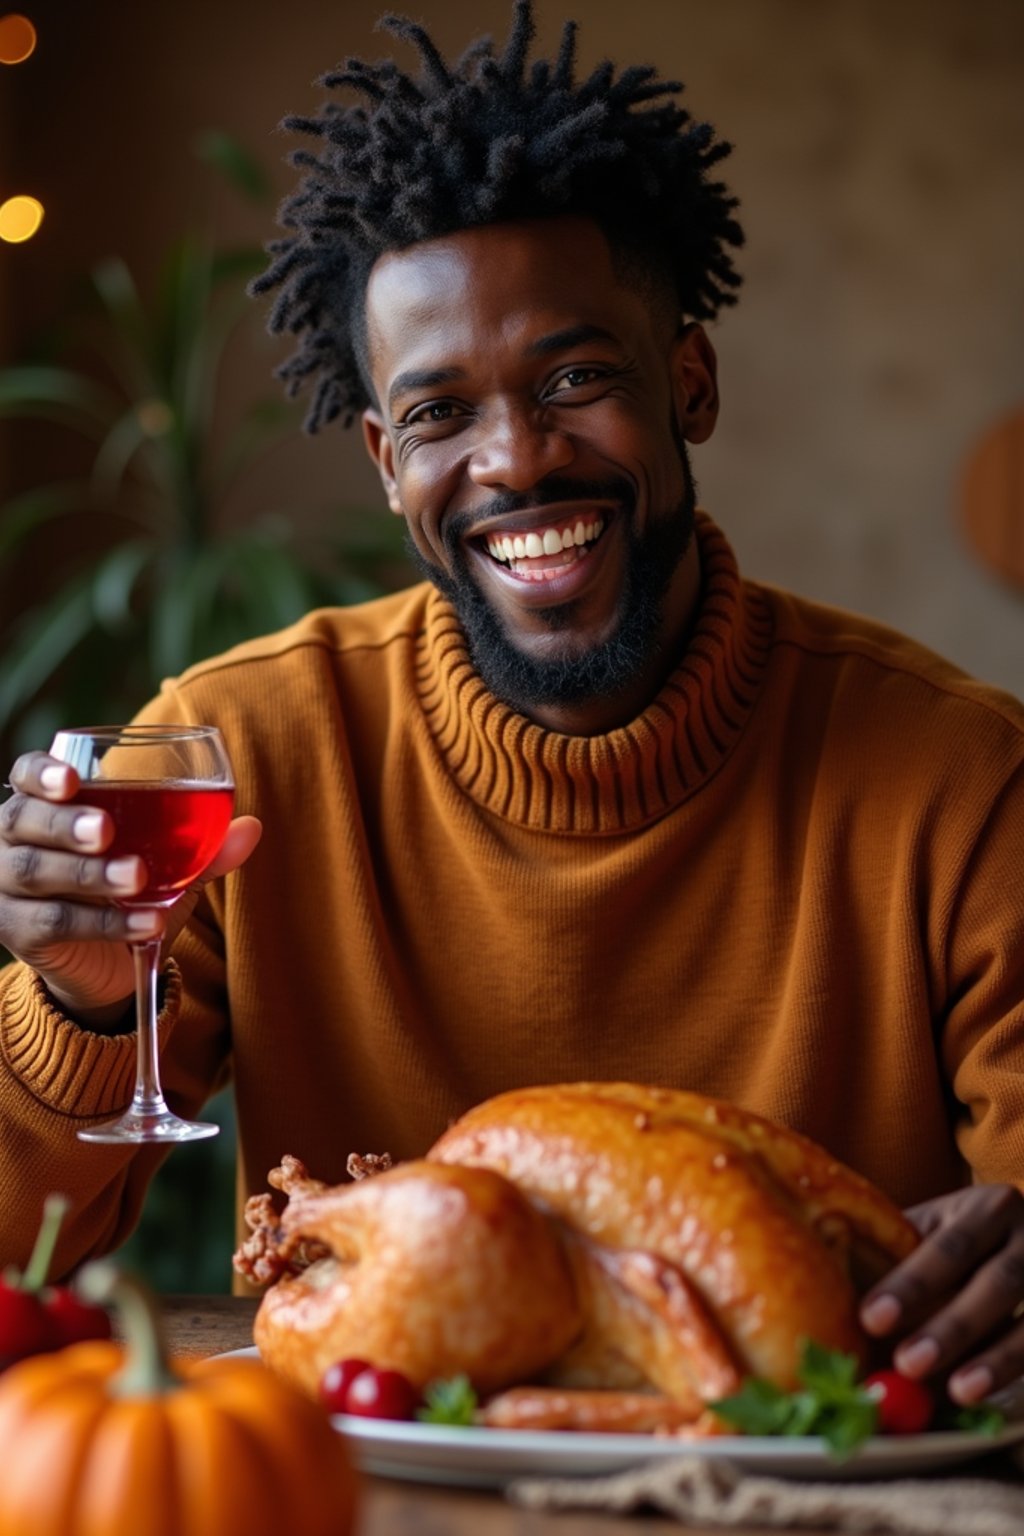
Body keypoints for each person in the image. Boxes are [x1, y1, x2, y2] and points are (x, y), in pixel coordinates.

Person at [2, 0, 1023, 1410]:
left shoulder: (963, 782)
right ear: (381, 459)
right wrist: (86, 1007)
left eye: (578, 379)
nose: (518, 461)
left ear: (691, 382)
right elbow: (18, 1257)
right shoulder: (245, 754)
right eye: (439, 415)